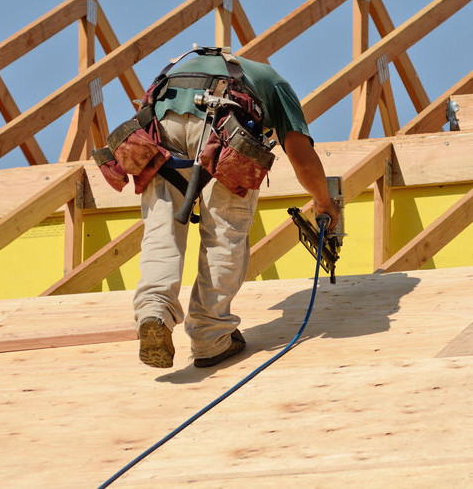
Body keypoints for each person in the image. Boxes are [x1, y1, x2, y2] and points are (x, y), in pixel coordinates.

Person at [132, 48, 340, 369]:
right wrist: (324, 202)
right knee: (224, 230)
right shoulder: (275, 84)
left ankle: (153, 312)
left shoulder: (190, 62)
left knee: (162, 229)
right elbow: (301, 155)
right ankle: (210, 336)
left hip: (160, 122)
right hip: (225, 126)